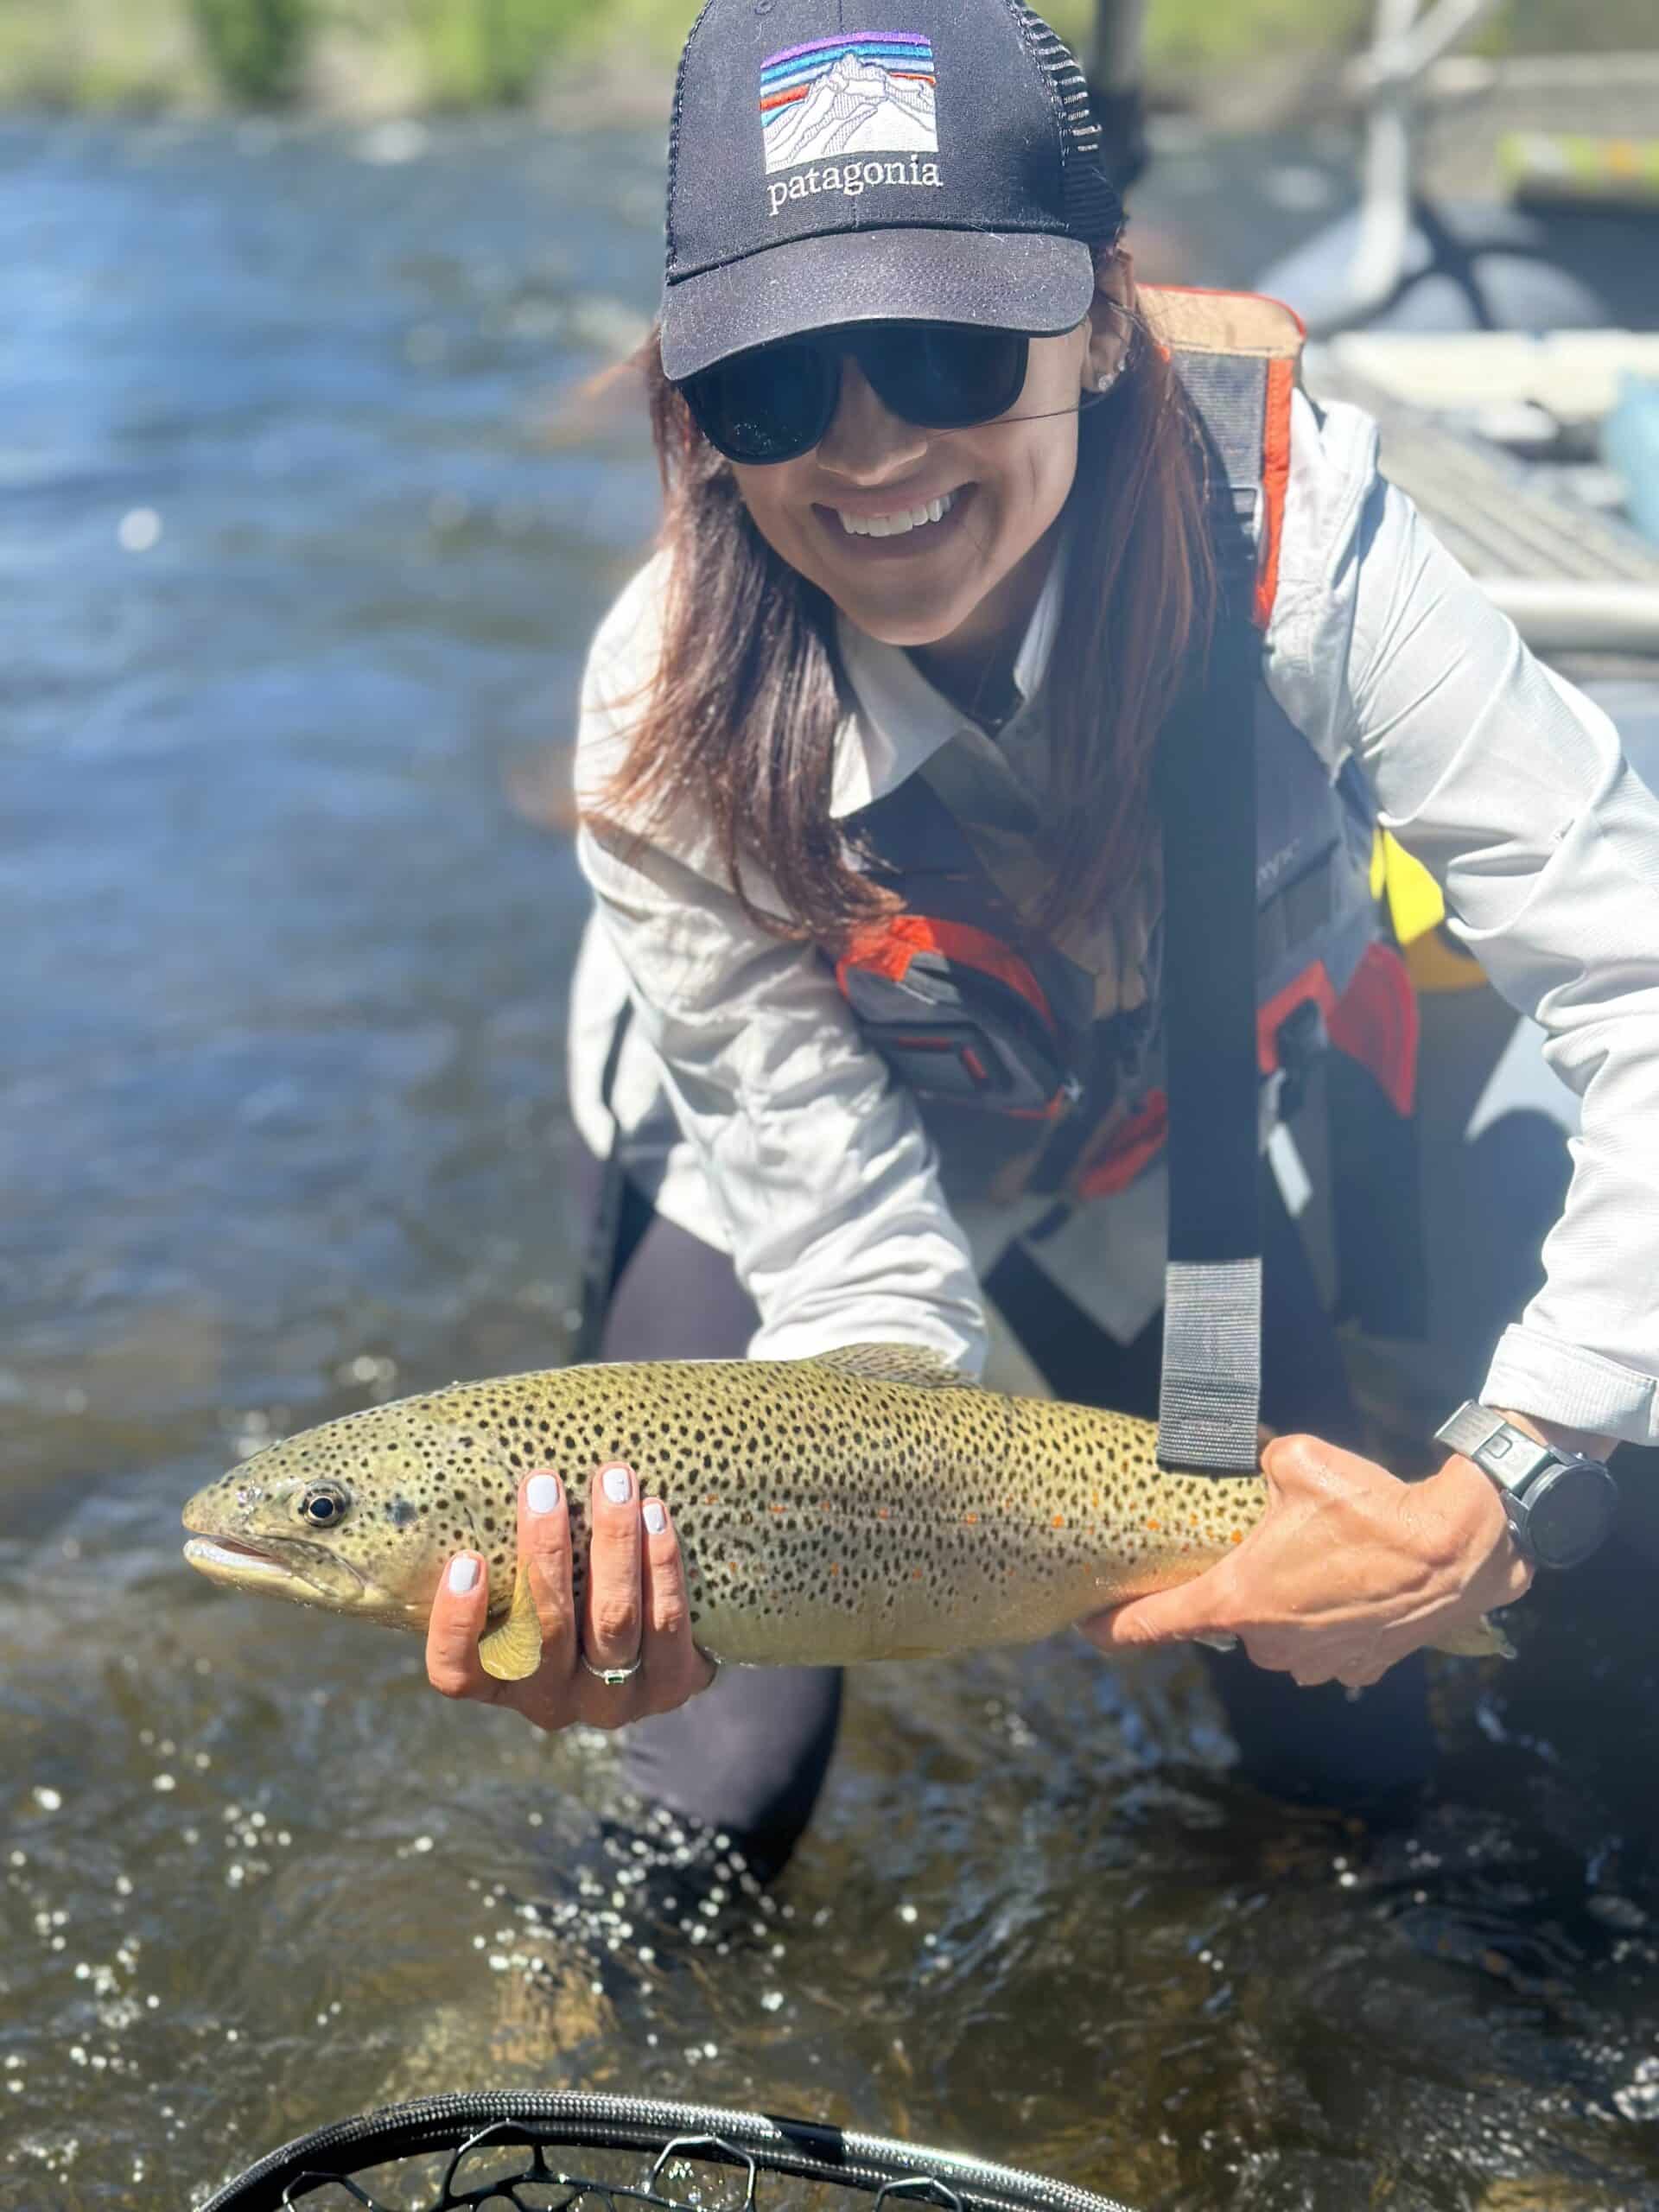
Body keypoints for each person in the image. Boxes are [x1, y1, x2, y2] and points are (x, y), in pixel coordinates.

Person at [423, 0, 1657, 1878]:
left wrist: (1508, 1476)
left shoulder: (1297, 532)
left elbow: (1637, 967)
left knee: (1364, 1739)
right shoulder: (656, 701)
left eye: (944, 344)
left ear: (1097, 313)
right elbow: (856, 1276)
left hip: (1150, 1143)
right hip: (760, 1158)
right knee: (710, 1783)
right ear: (695, 402)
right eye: (774, 386)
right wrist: (813, 1552)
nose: (870, 452)